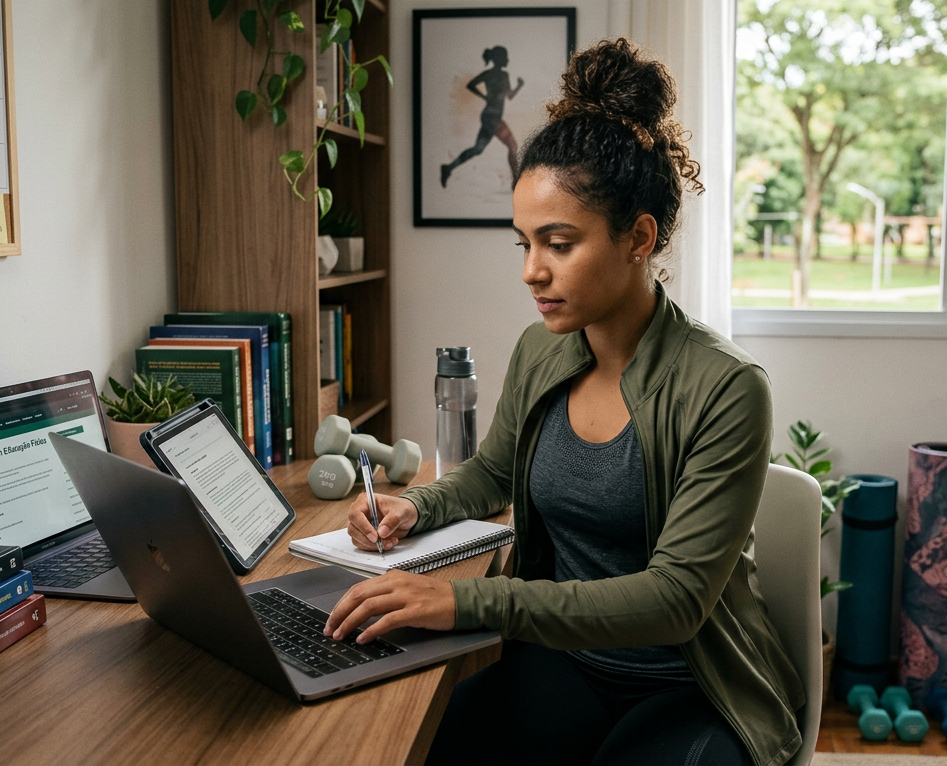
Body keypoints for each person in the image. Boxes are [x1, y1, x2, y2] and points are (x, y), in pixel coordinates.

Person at [325, 38, 804, 766]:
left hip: (690, 683)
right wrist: (415, 508)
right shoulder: (542, 350)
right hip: (566, 661)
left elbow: (676, 598)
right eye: (523, 244)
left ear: (638, 237)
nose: (532, 271)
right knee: (418, 745)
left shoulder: (727, 388)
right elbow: (491, 475)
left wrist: (466, 602)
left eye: (558, 243)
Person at [441, 45, 524, 188]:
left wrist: (518, 86)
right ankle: (516, 182)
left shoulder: (500, 75)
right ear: (499, 59)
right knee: (511, 145)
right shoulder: (495, 75)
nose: (507, 60)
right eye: (505, 57)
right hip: (491, 118)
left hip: (492, 117)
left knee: (478, 149)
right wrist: (485, 96)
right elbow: (471, 85)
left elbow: (509, 96)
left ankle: (448, 168)